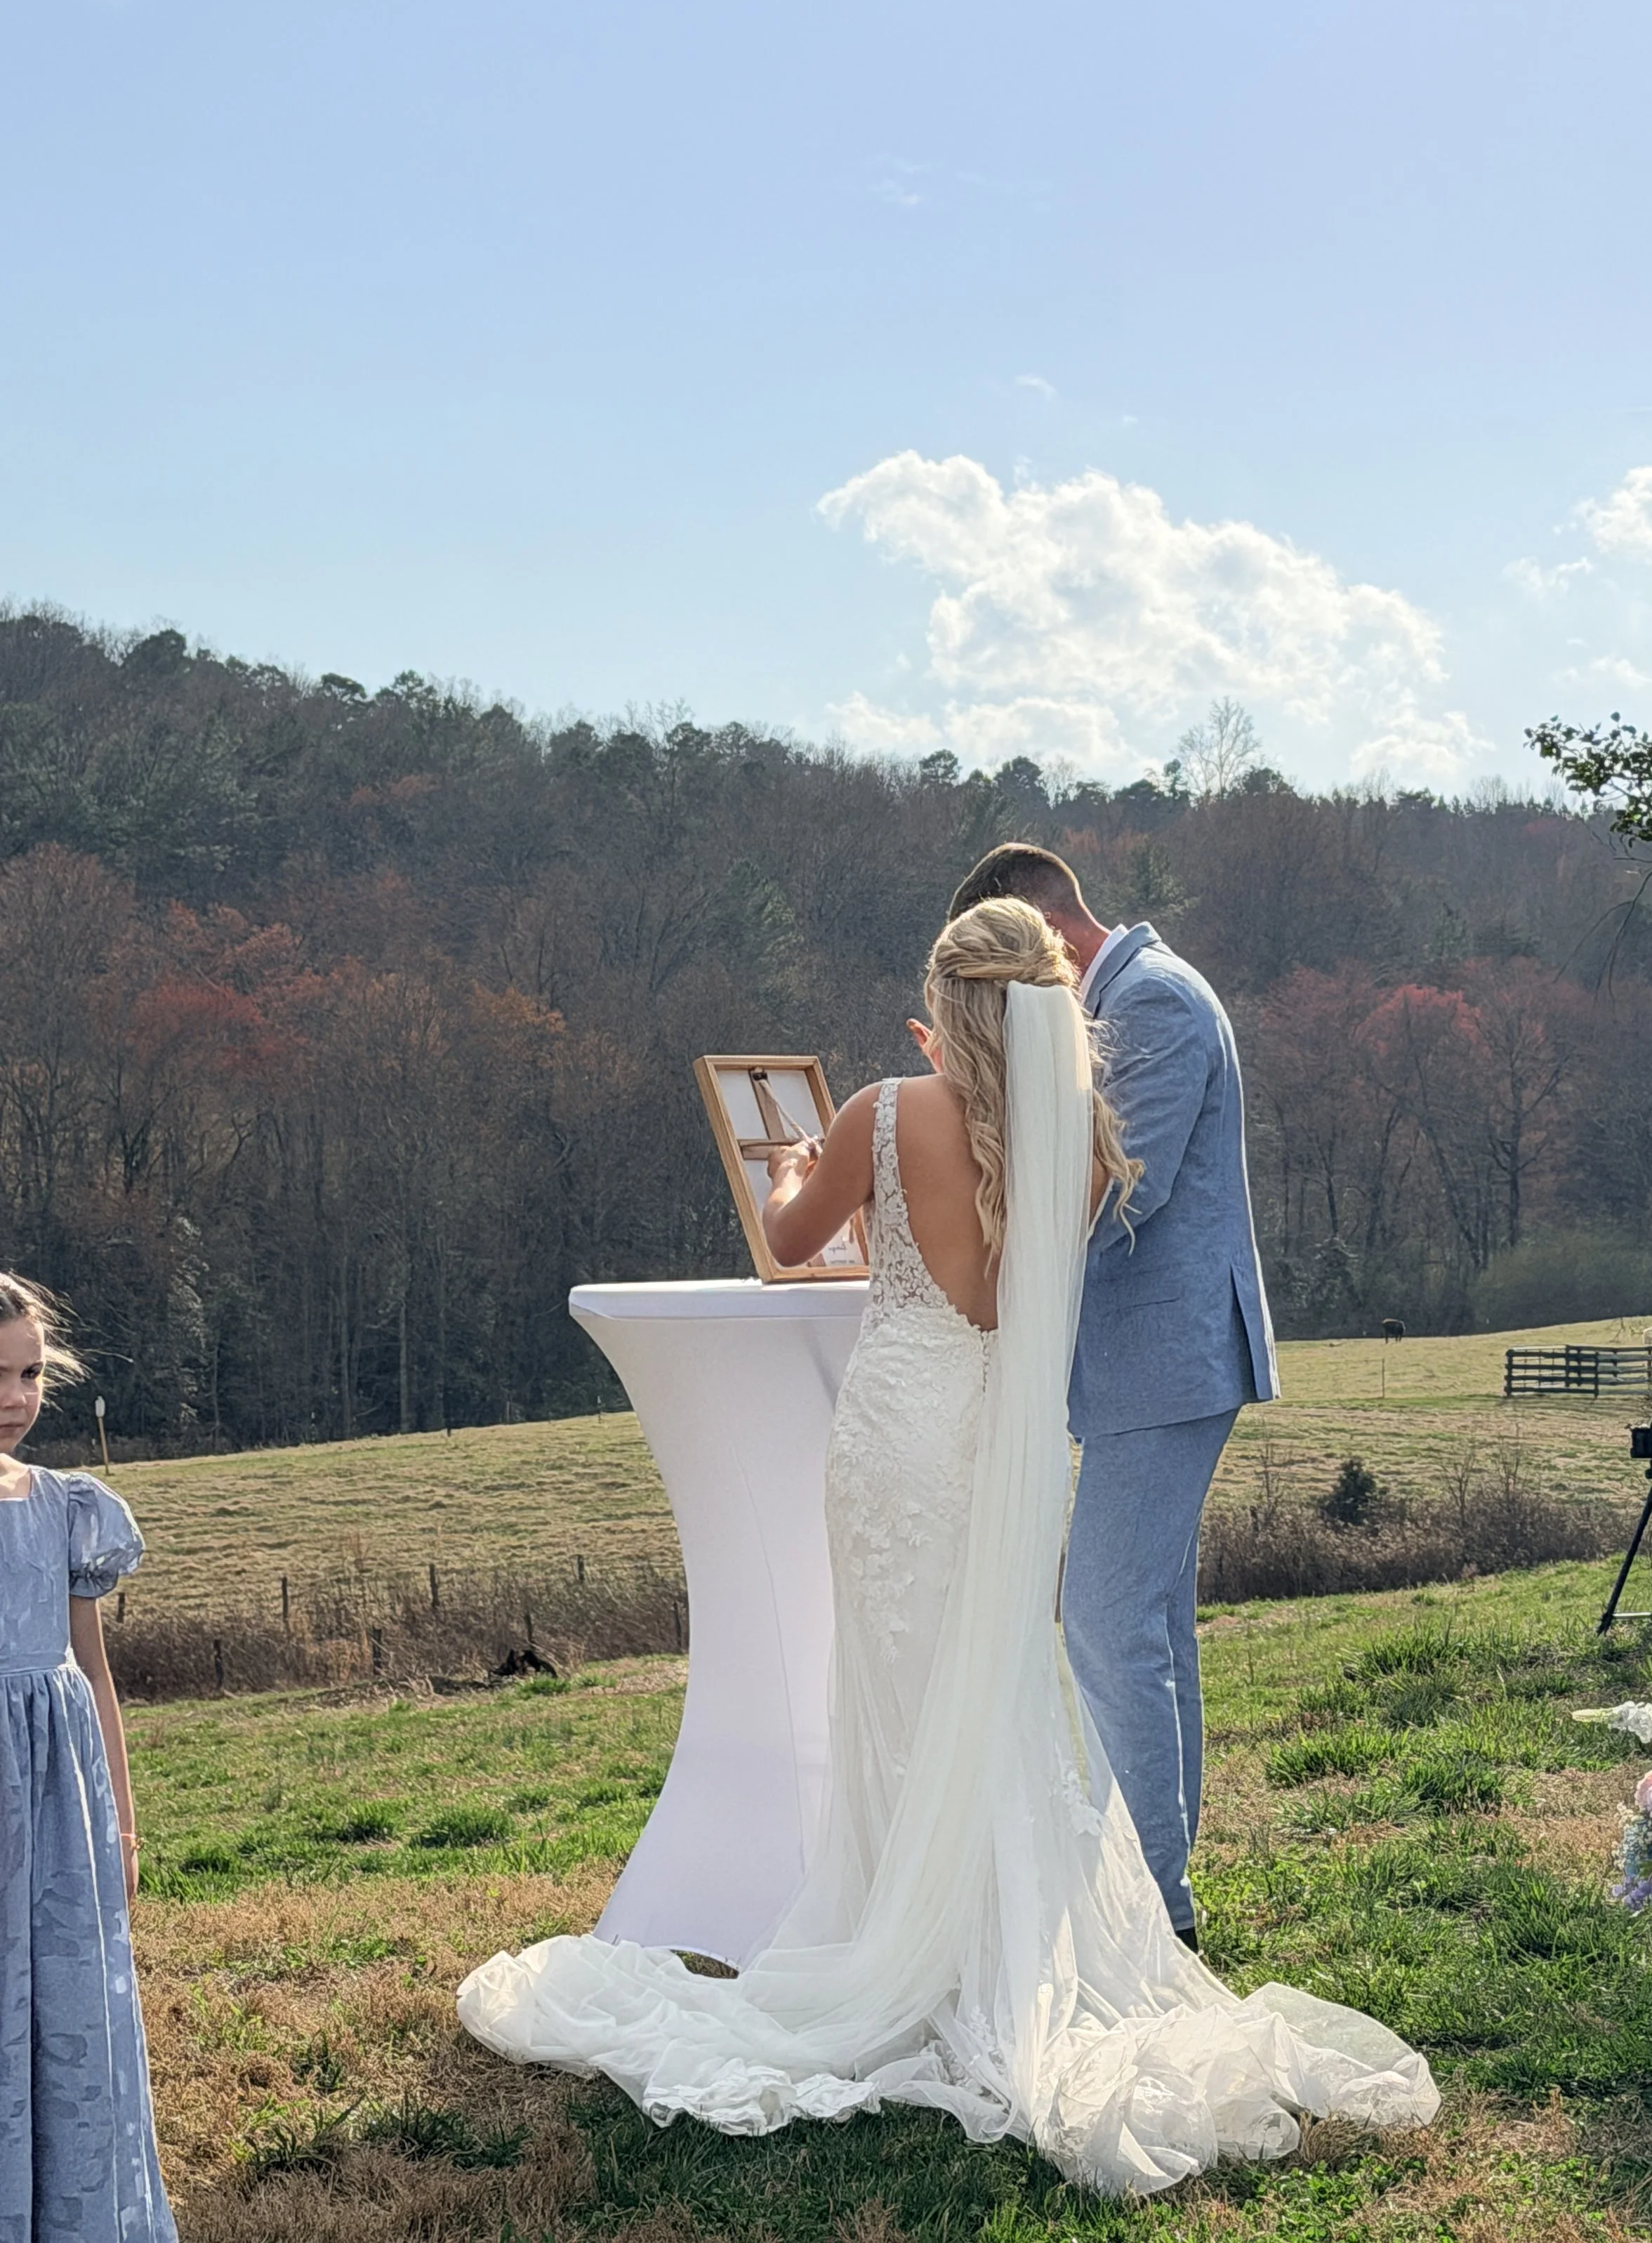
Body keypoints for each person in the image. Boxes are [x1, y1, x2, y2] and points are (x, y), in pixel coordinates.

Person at [458, 900, 1435, 2193]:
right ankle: (994, 1944)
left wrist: (810, 1164)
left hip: (894, 1434)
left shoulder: (883, 1108)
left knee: (899, 1685)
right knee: (998, 1687)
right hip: (994, 1443)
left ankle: (898, 1937)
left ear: (945, 1003)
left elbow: (785, 1241)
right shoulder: (1078, 1138)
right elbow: (1010, 1289)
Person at [948, 846, 1274, 1952]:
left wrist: (973, 1239)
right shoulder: (1133, 993)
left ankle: (1151, 1916)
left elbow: (1114, 1186)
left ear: (1050, 937)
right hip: (1148, 1360)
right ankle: (1155, 1896)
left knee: (1099, 1618)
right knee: (1149, 1629)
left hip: (1169, 1359)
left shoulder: (1152, 1006)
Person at [0, 1271, 178, 2241]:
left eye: (29, 1374)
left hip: (64, 1820)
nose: (13, 1400)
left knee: (70, 2019)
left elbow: (93, 1671)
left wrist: (122, 1820)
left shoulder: (68, 1508)